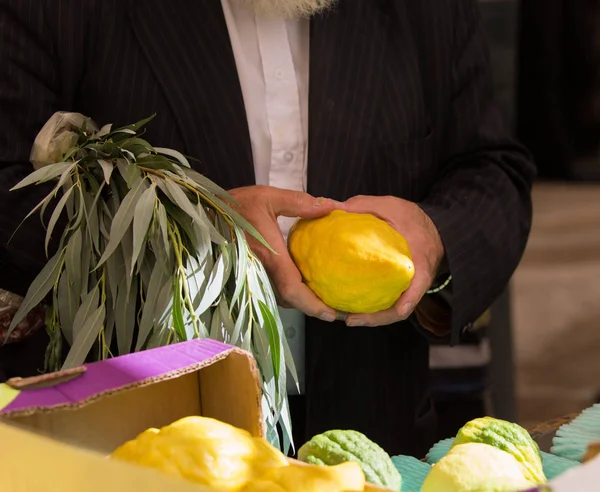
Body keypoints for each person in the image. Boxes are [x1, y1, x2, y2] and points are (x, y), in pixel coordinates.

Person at [0, 0, 535, 457]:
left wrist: (436, 235)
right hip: (136, 441)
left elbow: (489, 169)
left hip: (371, 434)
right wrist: (191, 231)